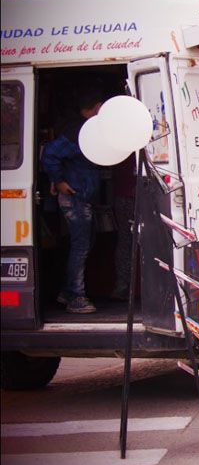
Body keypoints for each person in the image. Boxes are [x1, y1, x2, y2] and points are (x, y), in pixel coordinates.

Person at [40, 89, 104, 314]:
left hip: (82, 196)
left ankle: (68, 291)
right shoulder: (77, 131)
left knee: (84, 243)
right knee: (80, 246)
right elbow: (49, 154)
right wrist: (59, 181)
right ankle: (76, 296)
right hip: (74, 197)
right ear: (97, 107)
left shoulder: (83, 129)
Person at [110, 153, 136, 301]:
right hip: (129, 196)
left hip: (124, 195)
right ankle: (124, 287)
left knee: (125, 241)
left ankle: (123, 287)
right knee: (129, 242)